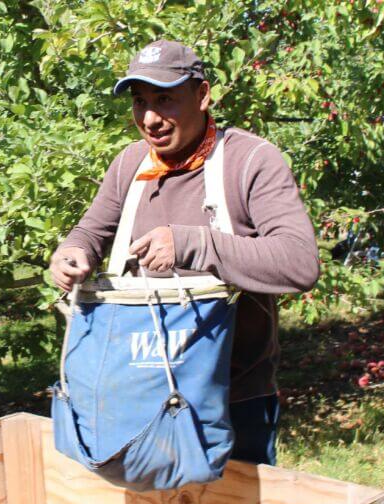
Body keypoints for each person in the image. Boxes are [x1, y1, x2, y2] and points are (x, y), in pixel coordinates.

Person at [50, 40, 319, 466]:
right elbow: (90, 232)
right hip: (139, 390)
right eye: (140, 102)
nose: (150, 118)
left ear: (203, 95)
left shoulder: (250, 161)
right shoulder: (130, 164)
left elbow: (299, 262)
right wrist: (71, 252)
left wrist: (193, 243)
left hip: (234, 397)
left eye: (165, 99)